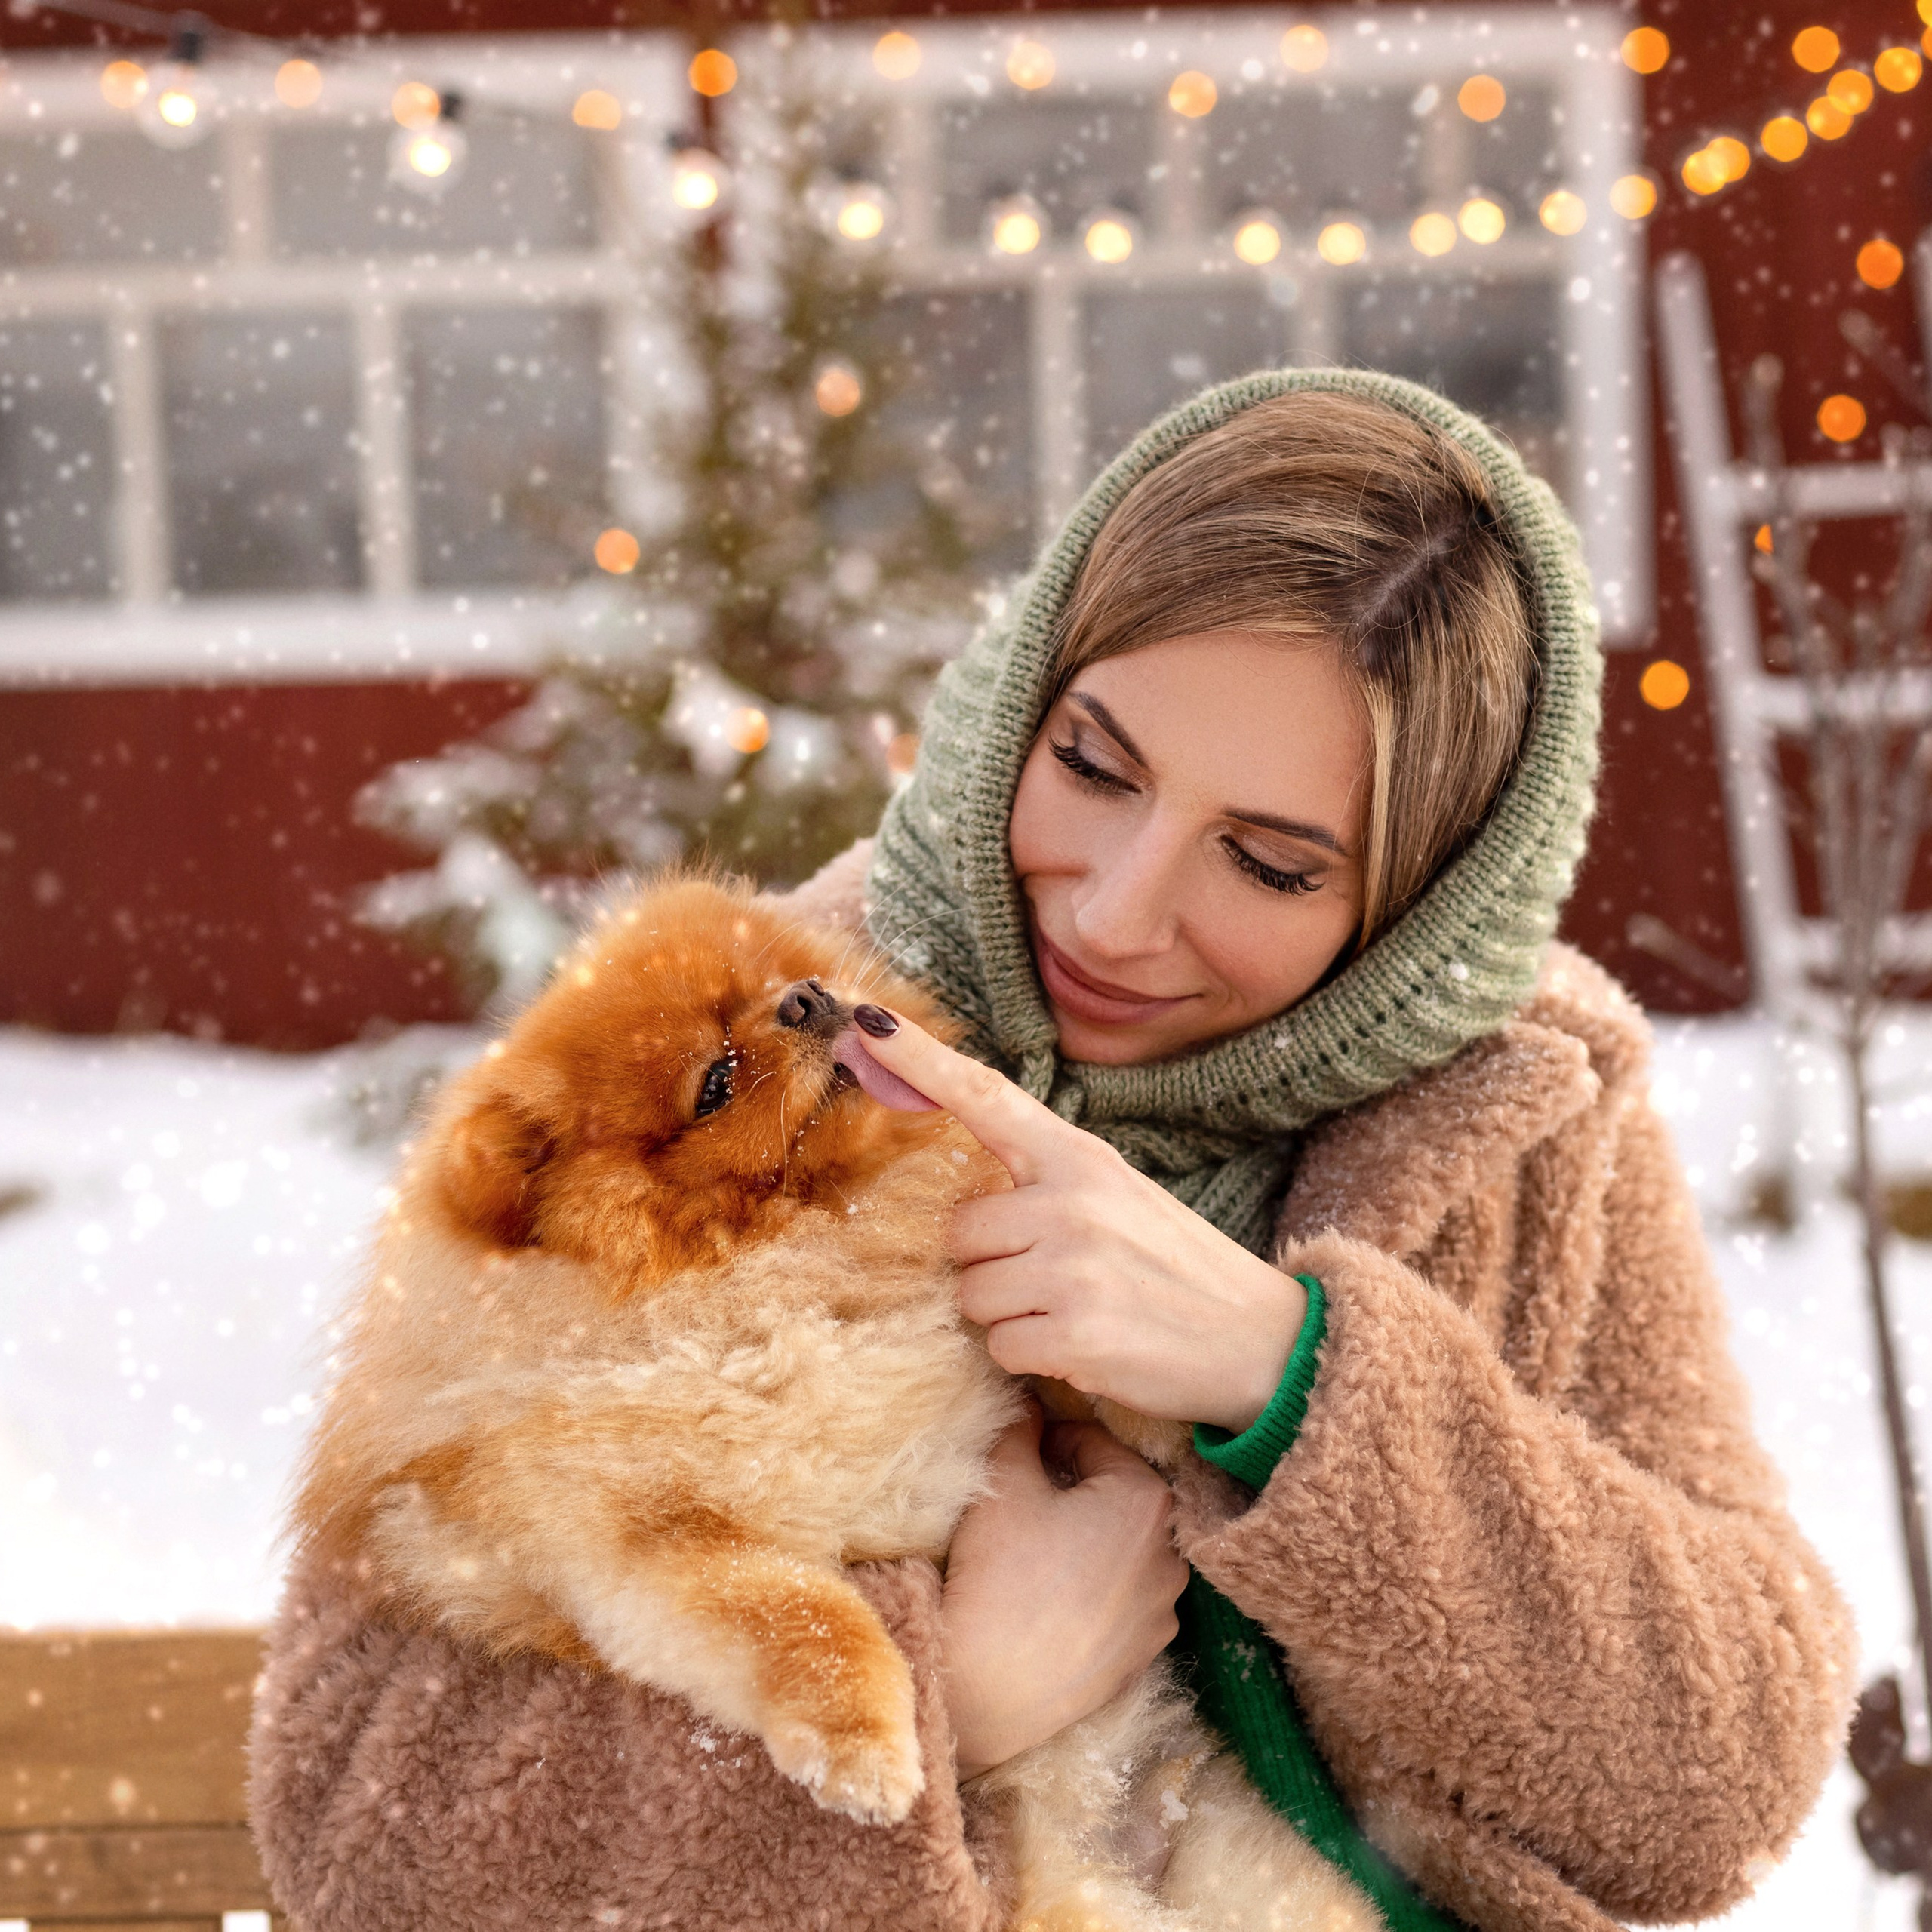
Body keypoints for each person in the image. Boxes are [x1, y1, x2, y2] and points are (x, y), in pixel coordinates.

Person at [250, 371, 1853, 1932]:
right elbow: (359, 1819)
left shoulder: (1506, 1119)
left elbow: (1718, 1775)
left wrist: (1286, 1376)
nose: (1111, 908)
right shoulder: (728, 1047)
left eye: (1269, 861)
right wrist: (947, 1692)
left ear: (1419, 911)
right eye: (1092, 764)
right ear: (1022, 691)